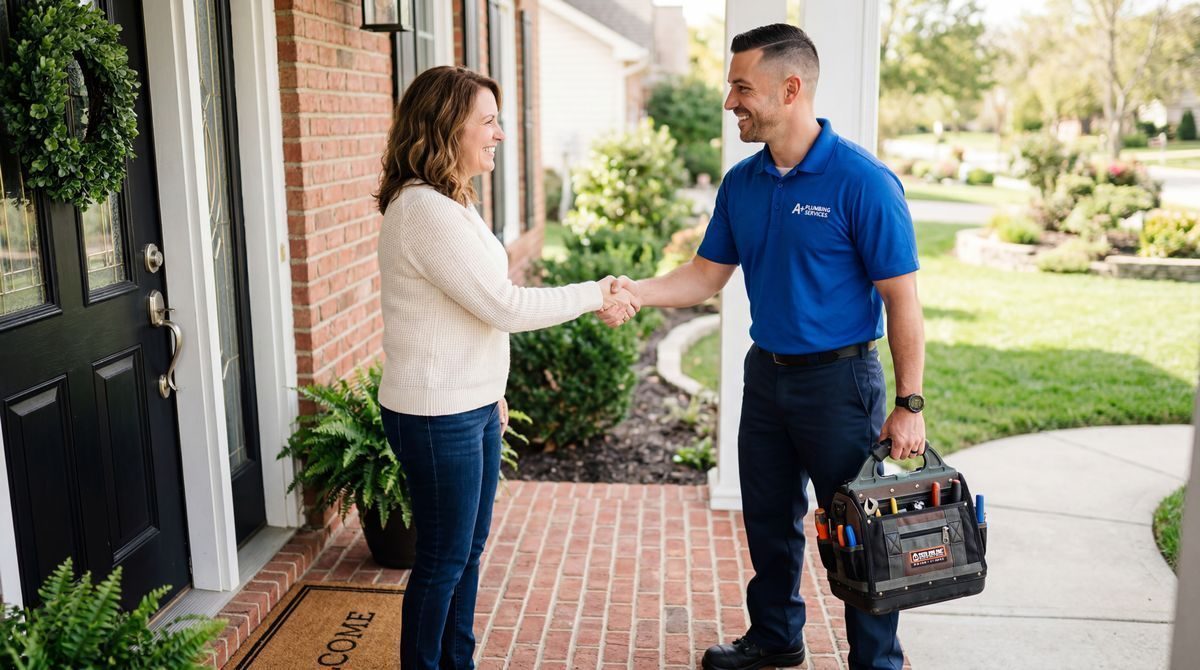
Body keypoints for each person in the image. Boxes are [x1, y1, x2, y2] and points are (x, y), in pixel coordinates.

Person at [611, 23, 925, 670]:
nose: (730, 102)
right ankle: (777, 637)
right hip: (767, 378)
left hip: (841, 386)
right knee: (768, 522)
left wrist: (909, 403)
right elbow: (705, 275)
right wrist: (636, 290)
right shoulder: (743, 183)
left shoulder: (862, 182)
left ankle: (876, 663)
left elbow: (902, 299)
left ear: (789, 89)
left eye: (741, 87)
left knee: (857, 531)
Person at [373, 65, 638, 669]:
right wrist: (596, 293)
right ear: (447, 127)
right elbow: (503, 304)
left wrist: (491, 391)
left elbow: (473, 311)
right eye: (487, 122)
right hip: (438, 416)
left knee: (465, 550)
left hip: (470, 407)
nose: (498, 134)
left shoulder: (451, 202)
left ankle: (456, 661)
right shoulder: (424, 211)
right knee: (442, 559)